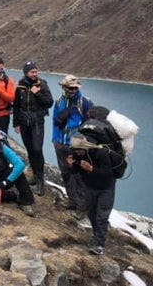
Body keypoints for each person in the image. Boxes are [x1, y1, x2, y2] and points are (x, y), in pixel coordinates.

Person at [67, 133, 115, 255]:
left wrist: (92, 169)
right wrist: (71, 165)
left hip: (105, 188)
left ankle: (99, 244)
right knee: (92, 214)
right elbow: (75, 171)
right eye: (75, 151)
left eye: (79, 151)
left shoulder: (101, 153)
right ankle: (96, 237)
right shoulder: (76, 154)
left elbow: (108, 173)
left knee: (101, 216)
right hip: (89, 186)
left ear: (85, 147)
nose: (77, 154)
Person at [52, 74, 93, 219]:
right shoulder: (59, 102)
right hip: (60, 143)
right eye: (70, 87)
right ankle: (72, 200)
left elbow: (89, 124)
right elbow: (55, 121)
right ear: (64, 87)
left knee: (78, 176)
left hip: (76, 146)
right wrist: (55, 140)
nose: (73, 90)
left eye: (75, 88)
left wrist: (83, 145)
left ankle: (82, 207)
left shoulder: (85, 102)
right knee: (65, 173)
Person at [13, 61, 54, 196]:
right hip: (24, 122)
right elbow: (16, 105)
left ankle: (40, 180)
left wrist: (38, 94)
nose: (35, 74)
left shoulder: (42, 85)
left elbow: (49, 103)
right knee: (30, 150)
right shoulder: (20, 85)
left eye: (36, 71)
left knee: (37, 149)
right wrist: (16, 123)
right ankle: (35, 176)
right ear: (26, 73)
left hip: (37, 122)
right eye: (32, 72)